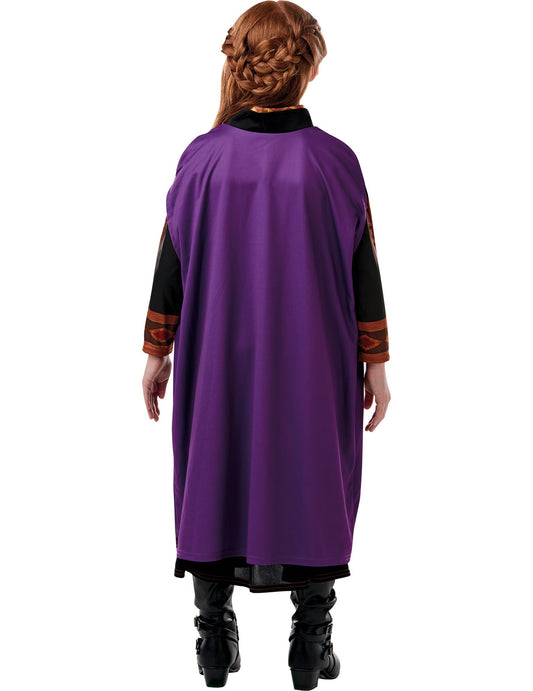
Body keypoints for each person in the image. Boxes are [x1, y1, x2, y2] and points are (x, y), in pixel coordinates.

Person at [141, 2, 391, 688]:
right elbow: (363, 269)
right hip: (317, 358)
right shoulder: (335, 162)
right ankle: (310, 642)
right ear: (307, 69)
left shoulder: (202, 158)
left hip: (214, 356)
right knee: (316, 474)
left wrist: (156, 349)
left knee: (212, 471)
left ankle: (213, 640)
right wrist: (375, 361)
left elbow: (170, 262)